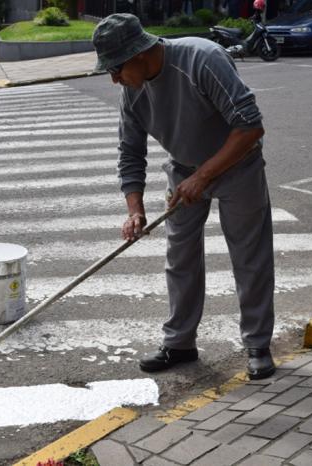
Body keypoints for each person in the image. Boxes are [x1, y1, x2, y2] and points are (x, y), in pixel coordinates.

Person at [92, 13, 276, 380]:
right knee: (180, 258)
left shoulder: (201, 59)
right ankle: (180, 343)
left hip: (236, 166)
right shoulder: (133, 90)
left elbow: (250, 126)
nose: (113, 79)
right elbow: (130, 153)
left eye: (116, 69)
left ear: (139, 54)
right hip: (183, 170)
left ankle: (257, 344)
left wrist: (204, 176)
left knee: (249, 257)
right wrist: (135, 210)